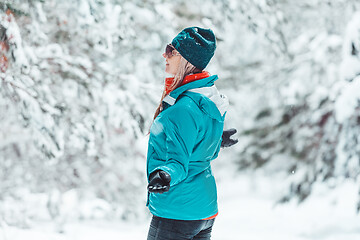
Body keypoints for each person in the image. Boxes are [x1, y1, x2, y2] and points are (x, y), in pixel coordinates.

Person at [146, 27, 236, 240]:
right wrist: (215, 138)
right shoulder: (206, 97)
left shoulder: (182, 108)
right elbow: (196, 137)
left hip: (177, 210)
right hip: (203, 209)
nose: (164, 55)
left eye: (171, 51)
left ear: (187, 60)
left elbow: (178, 163)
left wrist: (165, 175)